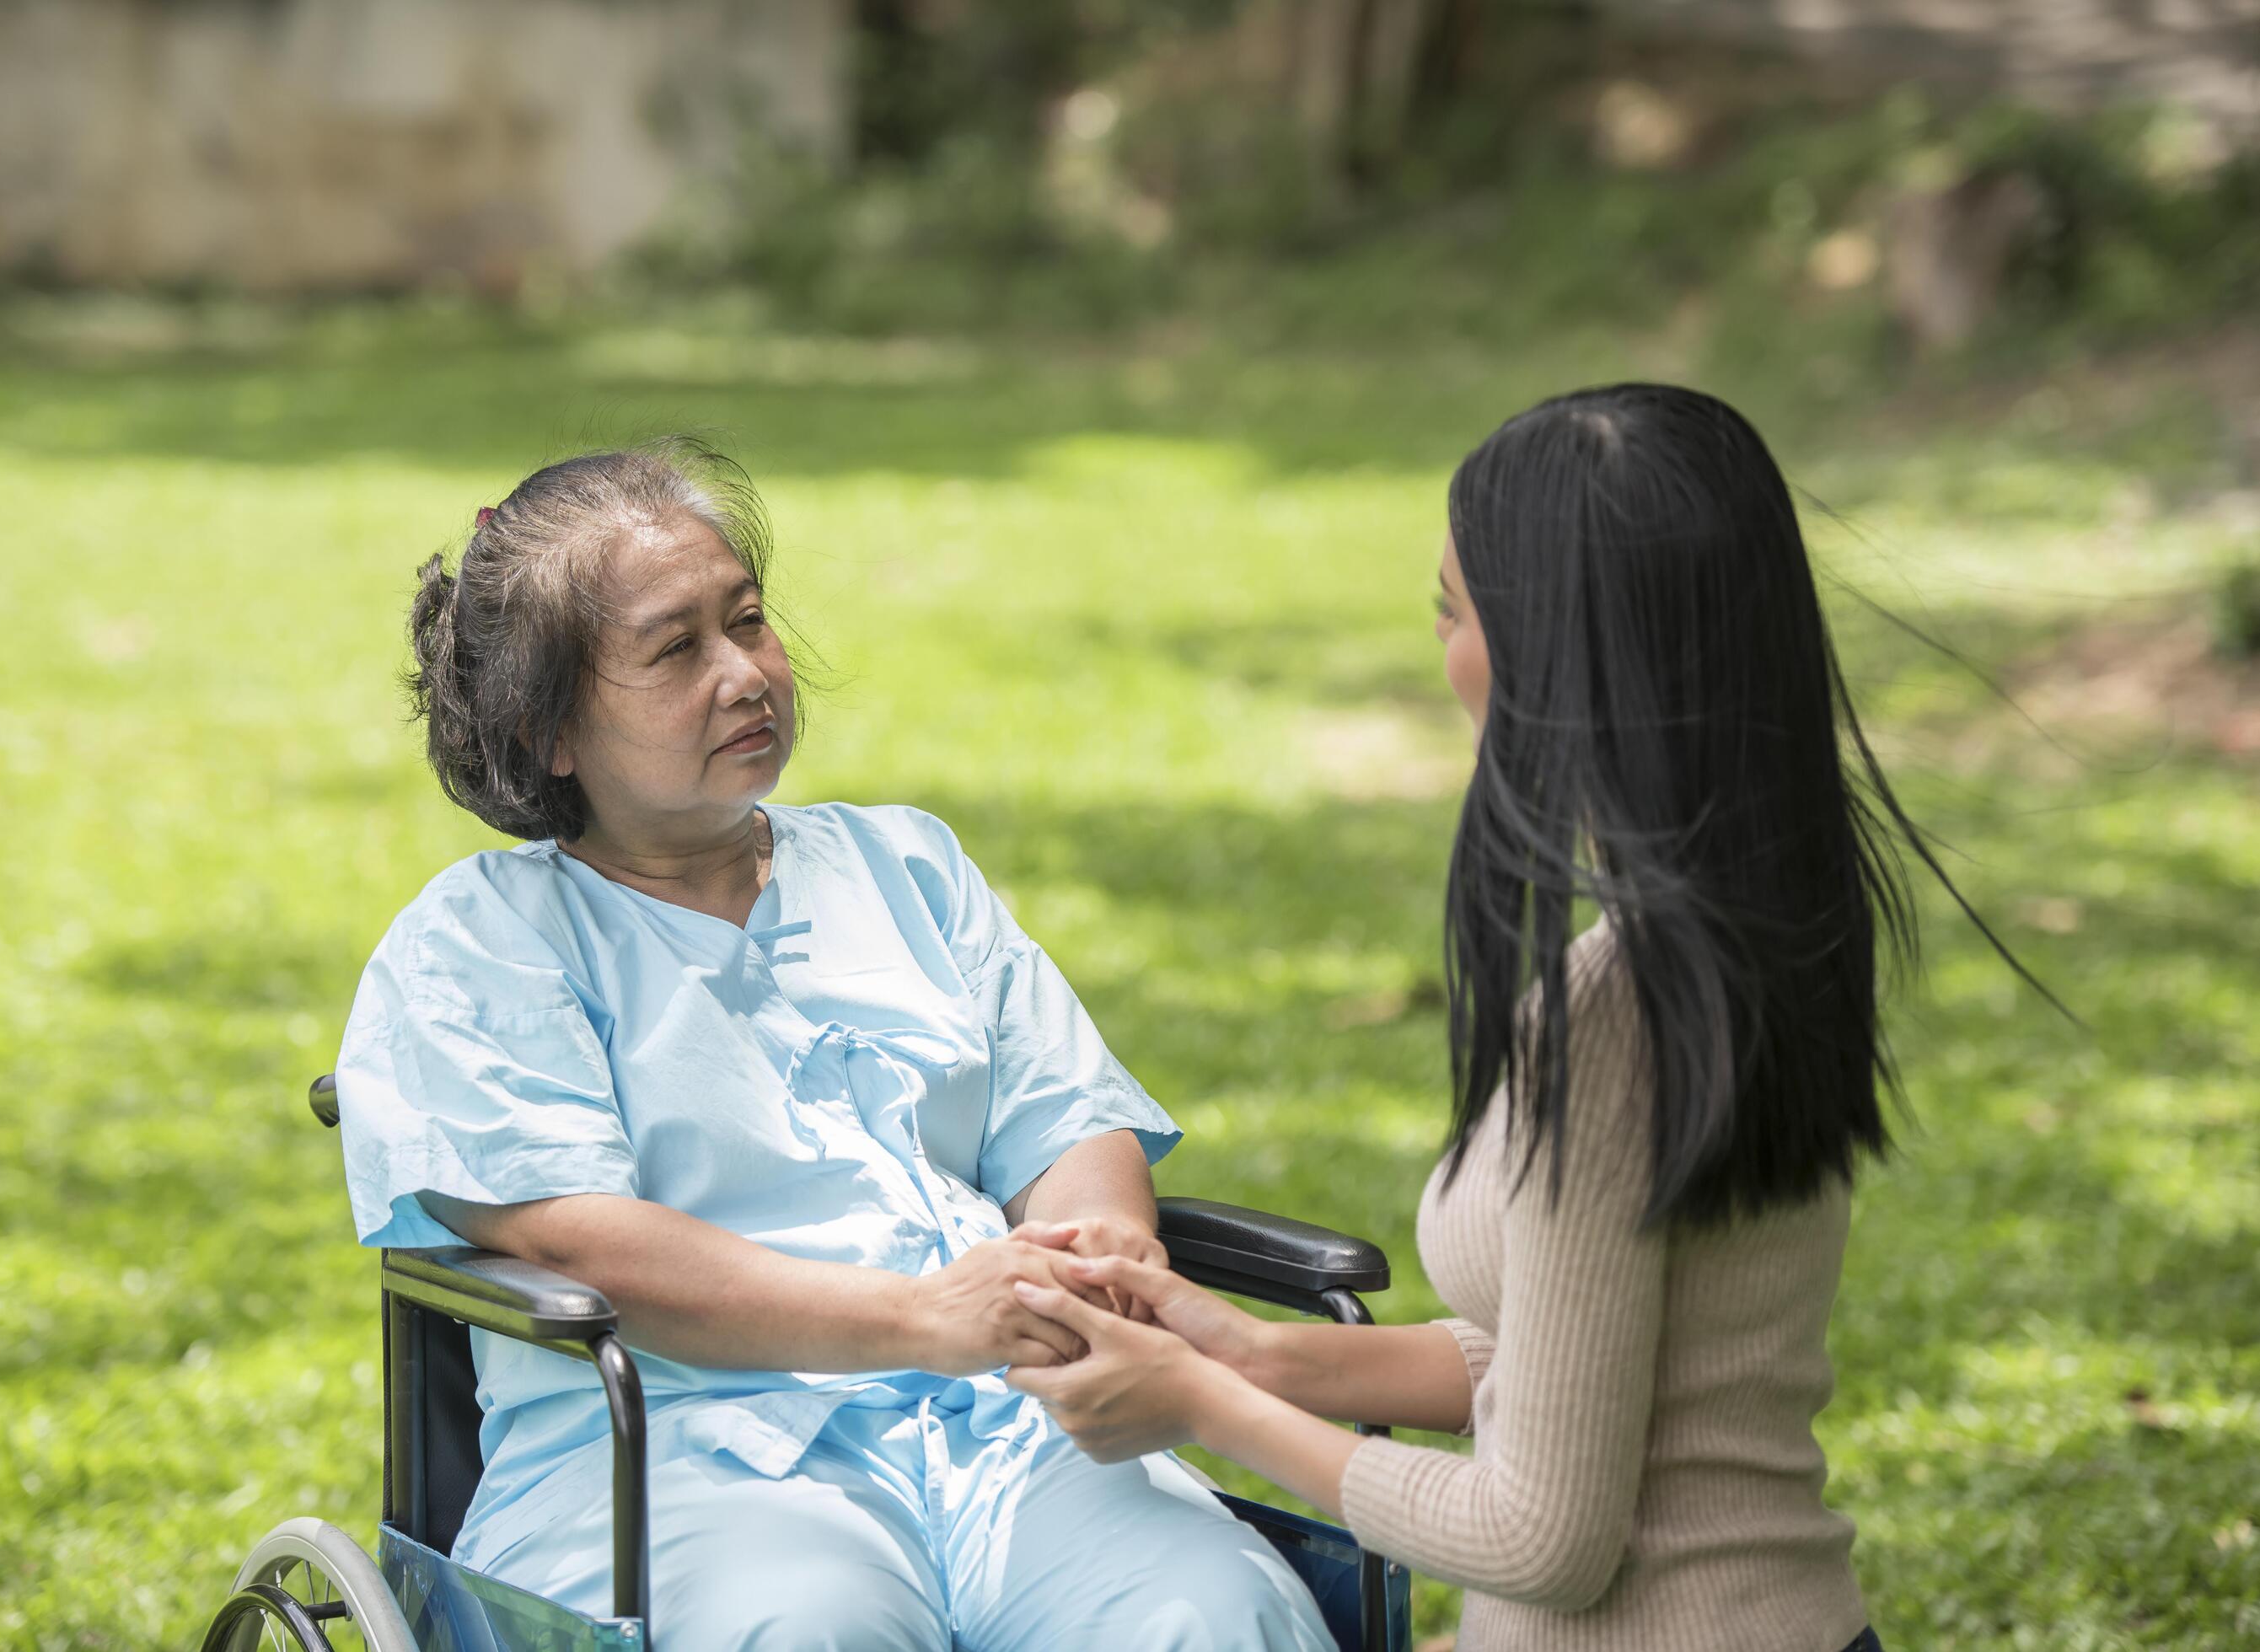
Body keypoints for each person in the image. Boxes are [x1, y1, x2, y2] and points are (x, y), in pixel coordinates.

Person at [1004, 385, 2037, 1652]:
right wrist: (1248, 1356)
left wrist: (1198, 1410)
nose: (1441, 648)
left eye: (1452, 609)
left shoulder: (1609, 1016)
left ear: (1549, 649)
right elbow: (1597, 1371)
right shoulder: (1759, 923)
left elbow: (1541, 1537)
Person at [334, 440, 1334, 1651]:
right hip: (687, 1454)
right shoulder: (482, 941)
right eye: (674, 648)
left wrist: (1100, 1243)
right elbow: (580, 1240)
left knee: (1218, 1617)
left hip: (1008, 1418)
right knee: (808, 1631)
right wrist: (921, 1316)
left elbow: (1064, 1117)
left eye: (746, 623)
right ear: (550, 733)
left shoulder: (905, 865)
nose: (745, 673)